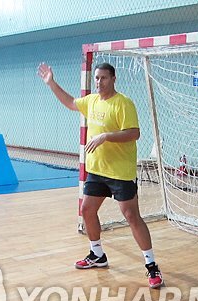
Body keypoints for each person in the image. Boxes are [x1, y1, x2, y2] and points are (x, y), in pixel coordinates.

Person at [37, 62, 163, 288]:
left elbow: (134, 133)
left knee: (131, 216)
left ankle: (151, 265)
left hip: (120, 172)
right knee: (87, 210)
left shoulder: (123, 103)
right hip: (97, 170)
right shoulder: (92, 101)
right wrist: (51, 83)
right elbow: (70, 102)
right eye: (96, 78)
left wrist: (105, 136)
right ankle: (97, 255)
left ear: (113, 79)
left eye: (103, 78)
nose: (99, 82)